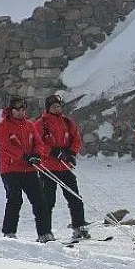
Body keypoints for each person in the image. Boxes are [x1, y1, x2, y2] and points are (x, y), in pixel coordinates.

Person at [0, 97, 55, 243]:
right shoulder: (2, 127)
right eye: (17, 110)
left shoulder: (29, 125)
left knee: (39, 200)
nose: (21, 112)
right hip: (10, 169)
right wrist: (24, 156)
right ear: (10, 110)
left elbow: (38, 142)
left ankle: (45, 233)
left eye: (23, 109)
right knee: (15, 199)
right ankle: (9, 232)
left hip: (29, 169)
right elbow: (6, 147)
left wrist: (36, 154)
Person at [34, 94, 91, 240]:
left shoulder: (68, 122)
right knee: (48, 201)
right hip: (48, 167)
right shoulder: (41, 124)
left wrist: (71, 153)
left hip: (65, 166)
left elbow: (76, 139)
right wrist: (53, 152)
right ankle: (45, 232)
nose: (57, 109)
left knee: (75, 197)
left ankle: (79, 226)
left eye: (58, 106)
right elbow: (37, 144)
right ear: (48, 108)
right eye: (53, 106)